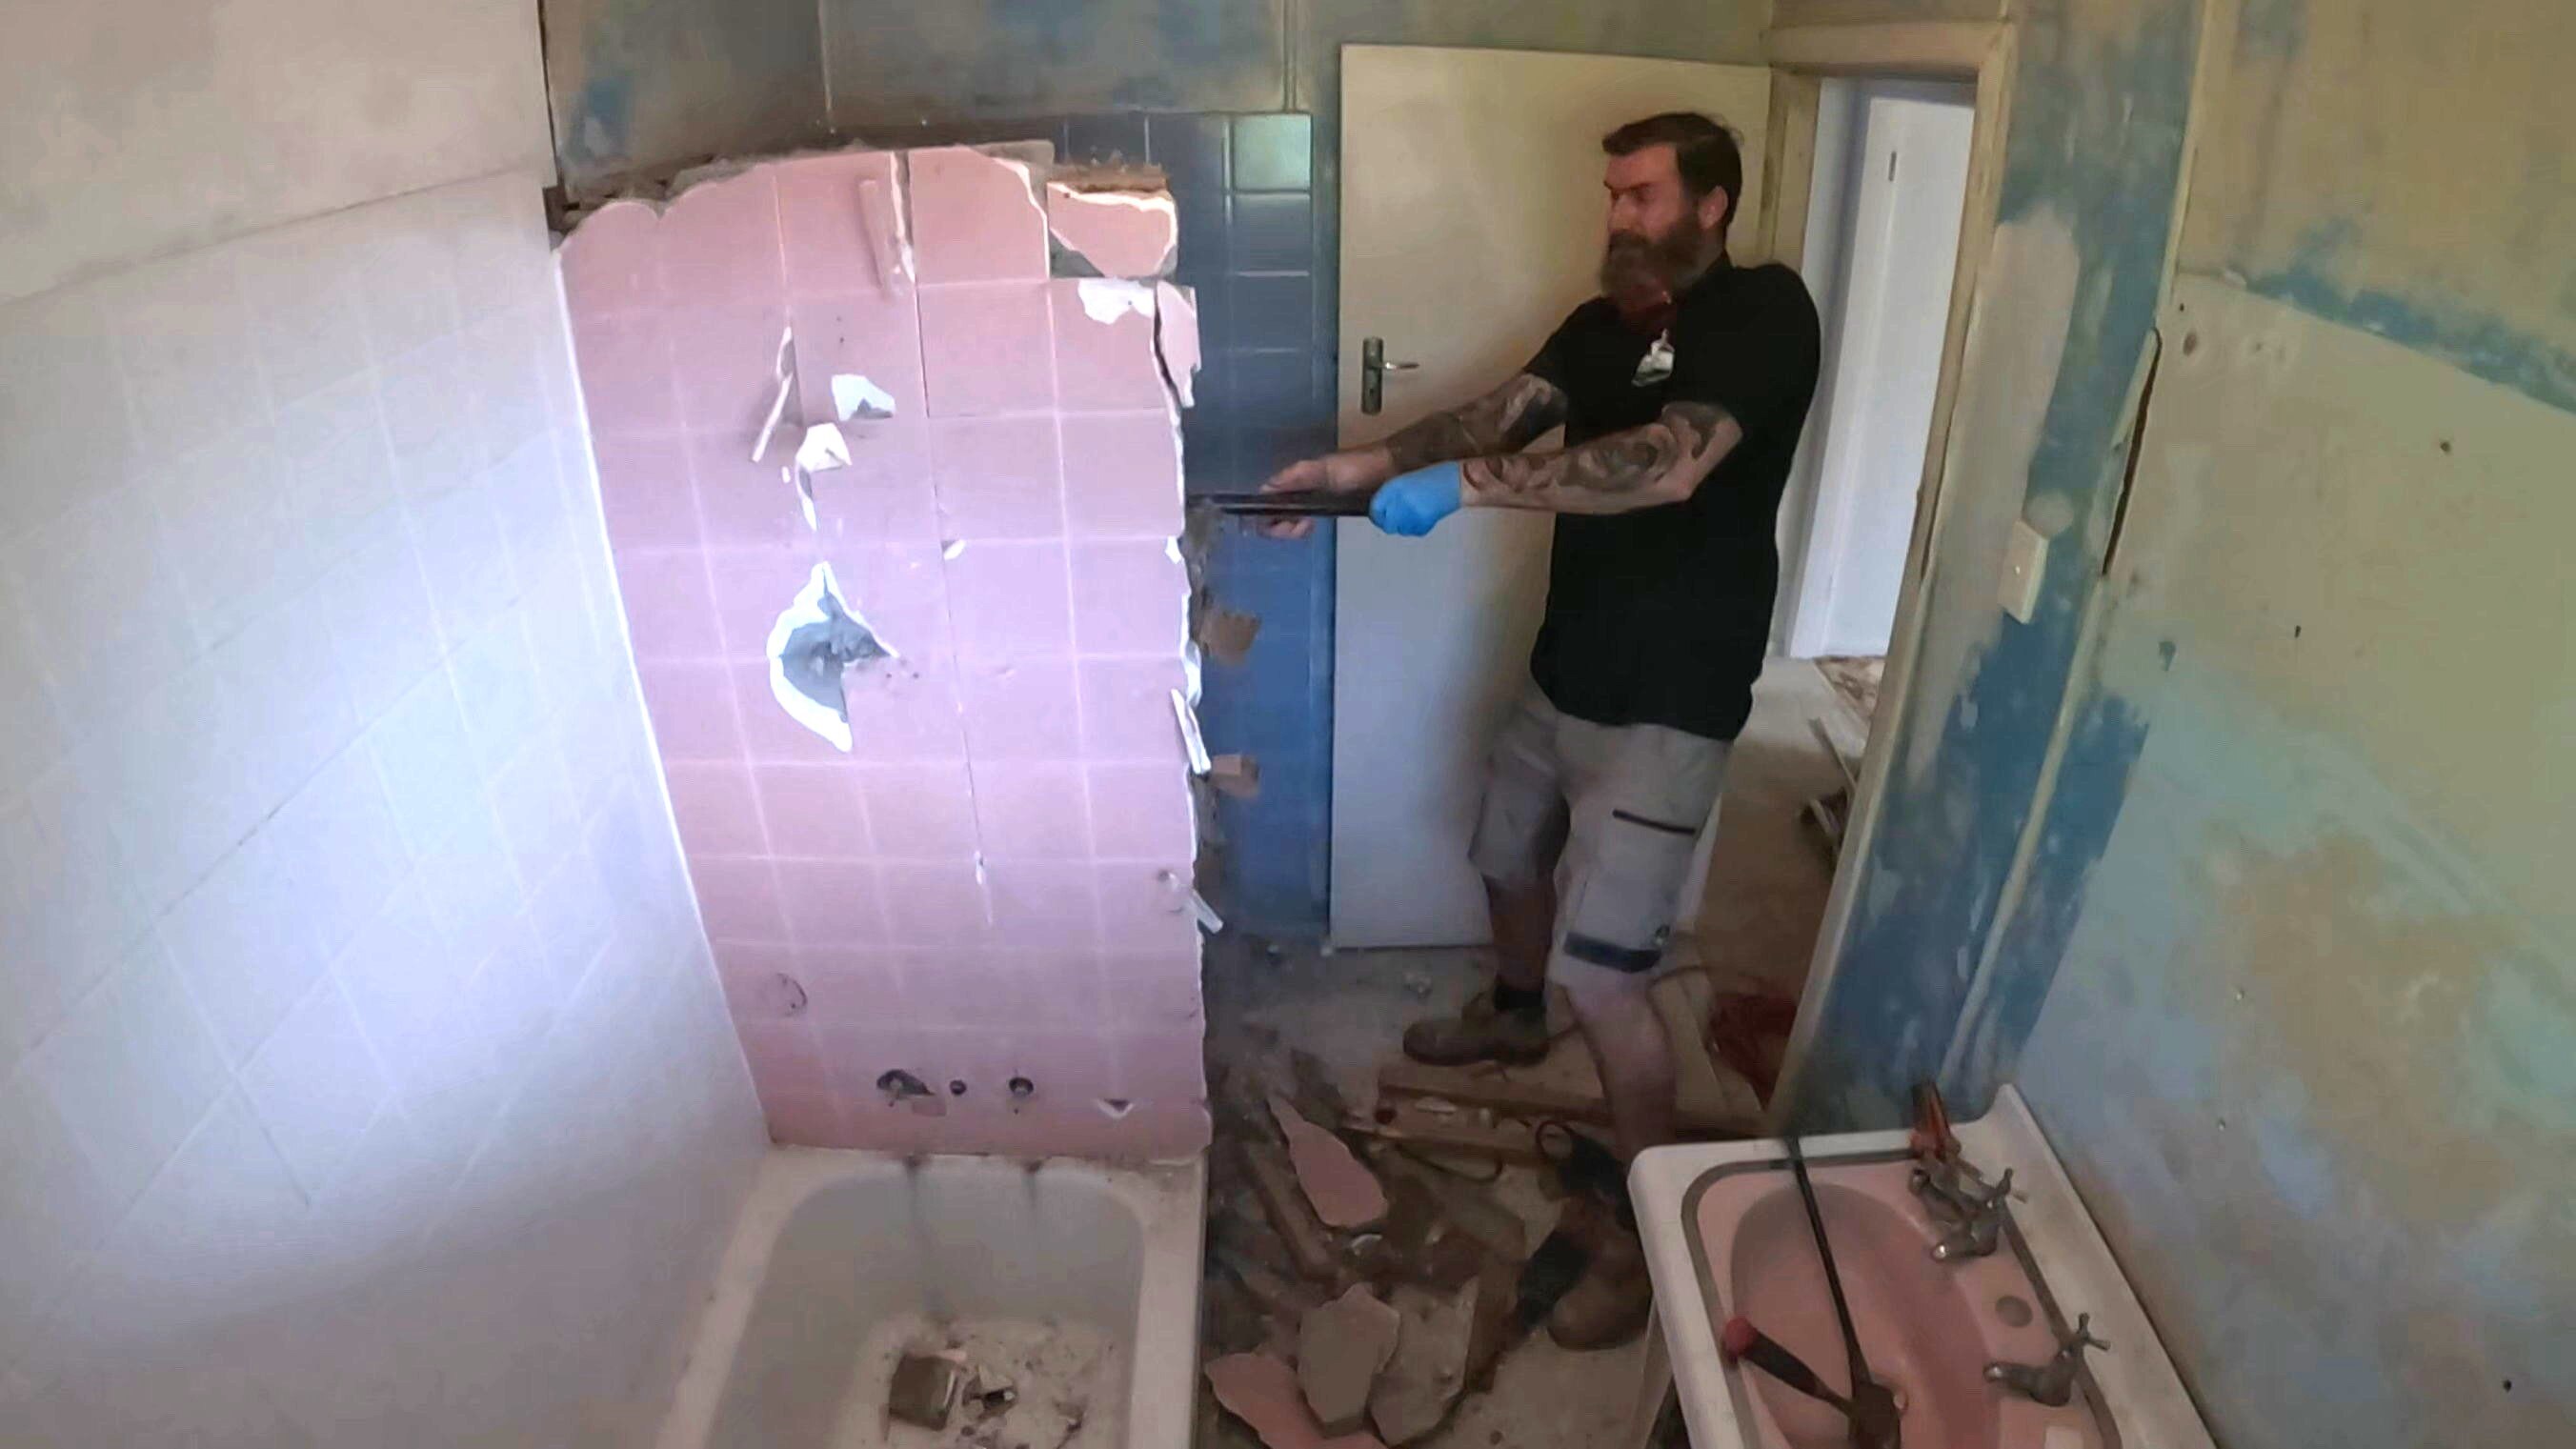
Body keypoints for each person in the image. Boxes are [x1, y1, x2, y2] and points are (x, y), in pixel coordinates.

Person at [1261, 111, 1821, 1349]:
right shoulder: (1603, 322)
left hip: (1674, 696)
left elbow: (1671, 464)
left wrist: (1459, 492)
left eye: (1640, 197)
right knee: (1505, 856)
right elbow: (1497, 417)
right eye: (1611, 196)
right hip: (1569, 665)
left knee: (1607, 977)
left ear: (1712, 204)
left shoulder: (1765, 315)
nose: (1618, 217)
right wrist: (1357, 468)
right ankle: (1514, 1017)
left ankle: (1648, 1202)